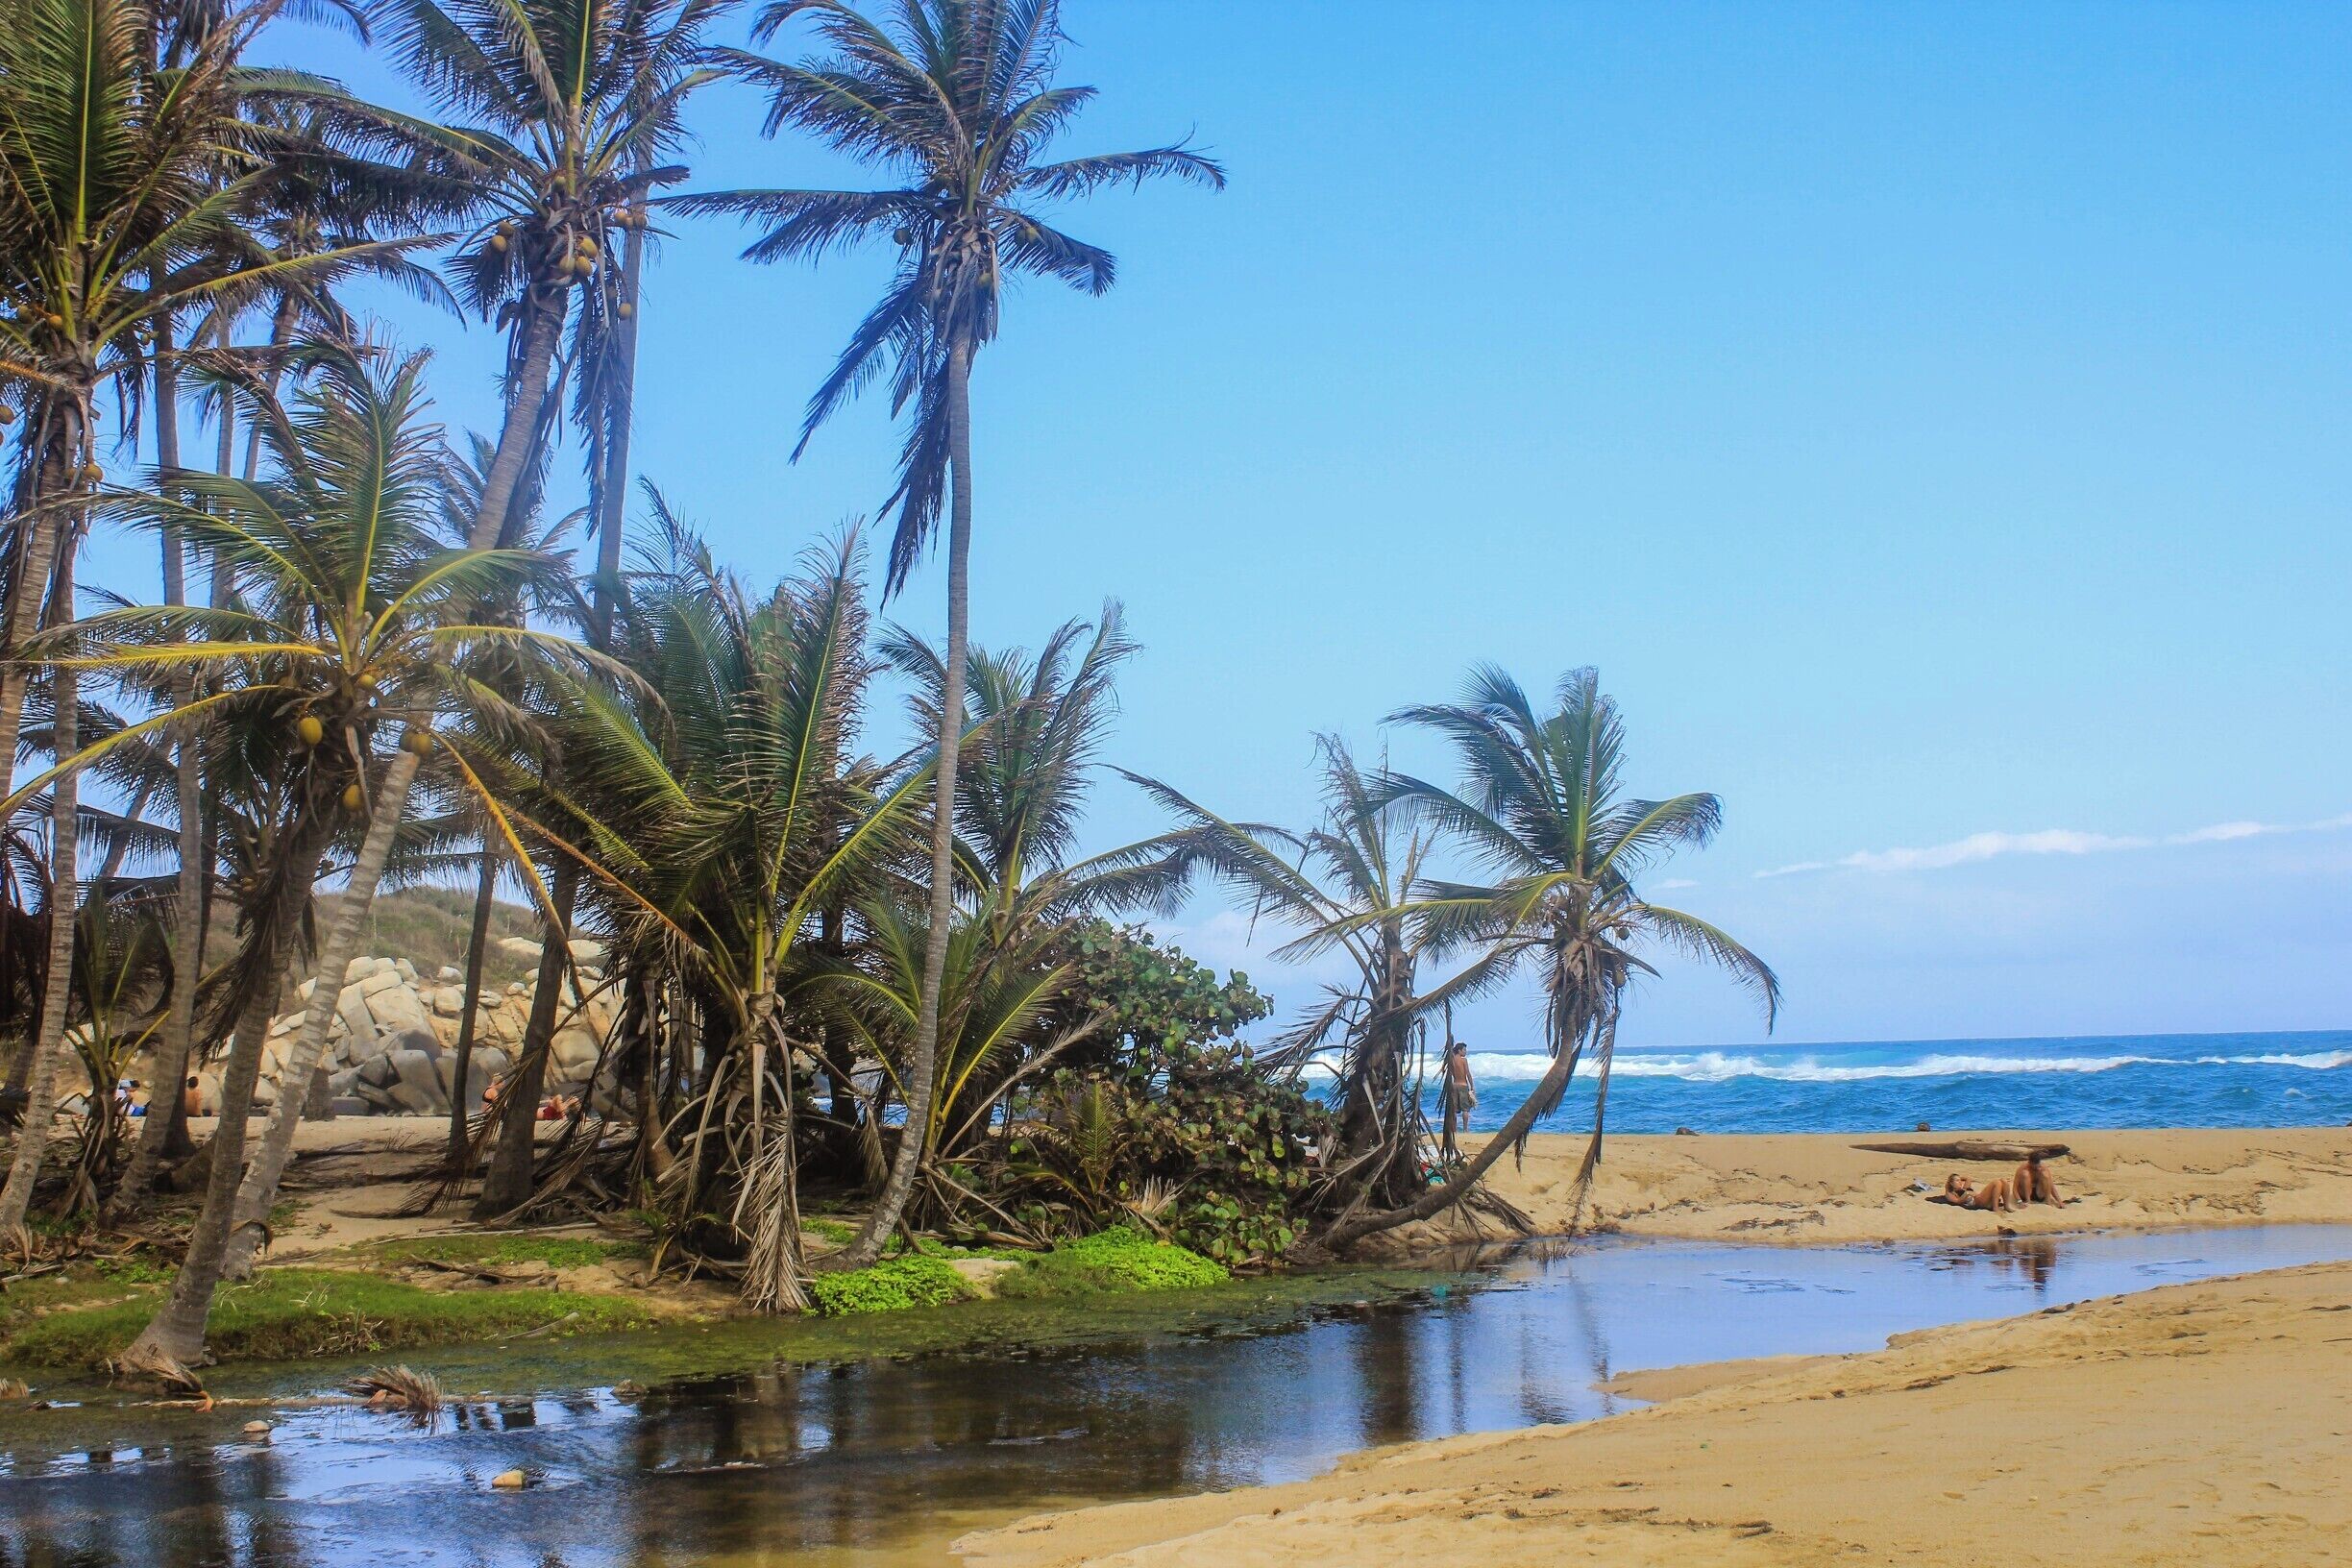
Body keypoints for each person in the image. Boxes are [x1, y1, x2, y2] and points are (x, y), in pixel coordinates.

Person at [1438, 1040, 1477, 1163]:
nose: (1465, 1051)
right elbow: (1468, 1074)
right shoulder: (1463, 1060)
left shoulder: (1451, 1059)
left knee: (1454, 1110)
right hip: (1463, 1085)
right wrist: (1472, 1086)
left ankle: (1454, 1129)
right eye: (1464, 1049)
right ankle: (1465, 1129)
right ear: (1459, 1050)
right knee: (1466, 1109)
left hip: (1454, 1085)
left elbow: (1445, 1071)